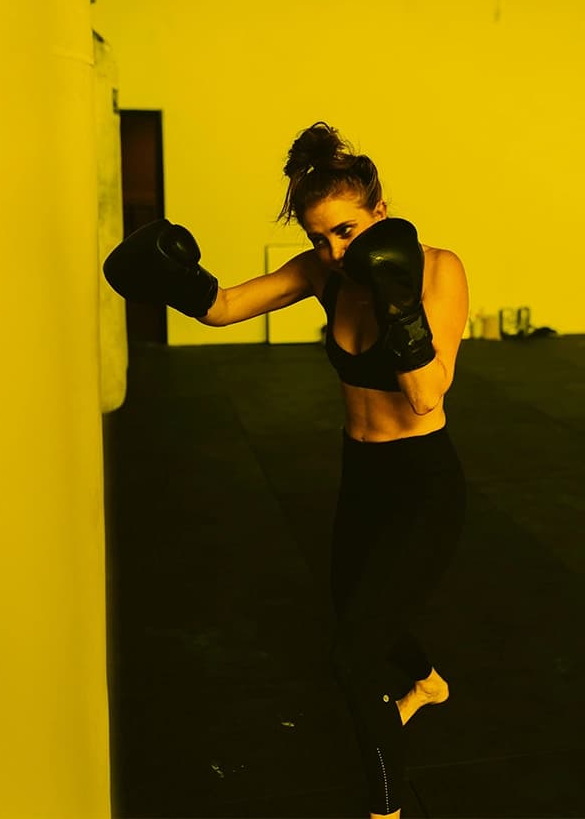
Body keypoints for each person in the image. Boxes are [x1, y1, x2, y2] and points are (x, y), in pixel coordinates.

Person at [103, 121, 469, 818]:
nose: (335, 250)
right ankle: (427, 684)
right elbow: (225, 308)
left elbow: (425, 395)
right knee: (356, 612)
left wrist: (398, 300)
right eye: (319, 237)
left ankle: (387, 809)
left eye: (349, 231)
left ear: (382, 215)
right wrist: (178, 276)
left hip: (423, 481)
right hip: (361, 473)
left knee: (354, 657)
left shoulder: (437, 268)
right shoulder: (321, 273)